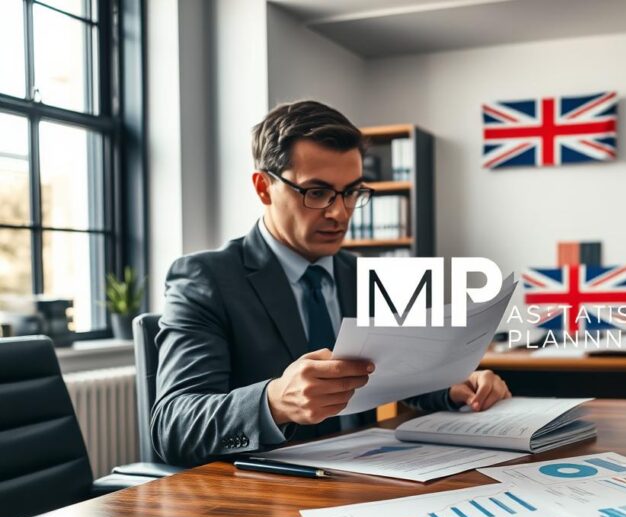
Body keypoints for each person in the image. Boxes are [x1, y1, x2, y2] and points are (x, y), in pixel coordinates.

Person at [152, 100, 511, 466]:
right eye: (317, 193)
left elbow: (397, 377)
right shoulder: (206, 279)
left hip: (370, 475)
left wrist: (450, 386)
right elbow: (173, 426)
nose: (339, 213)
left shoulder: (364, 277)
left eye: (352, 192)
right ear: (263, 188)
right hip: (260, 495)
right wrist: (275, 401)